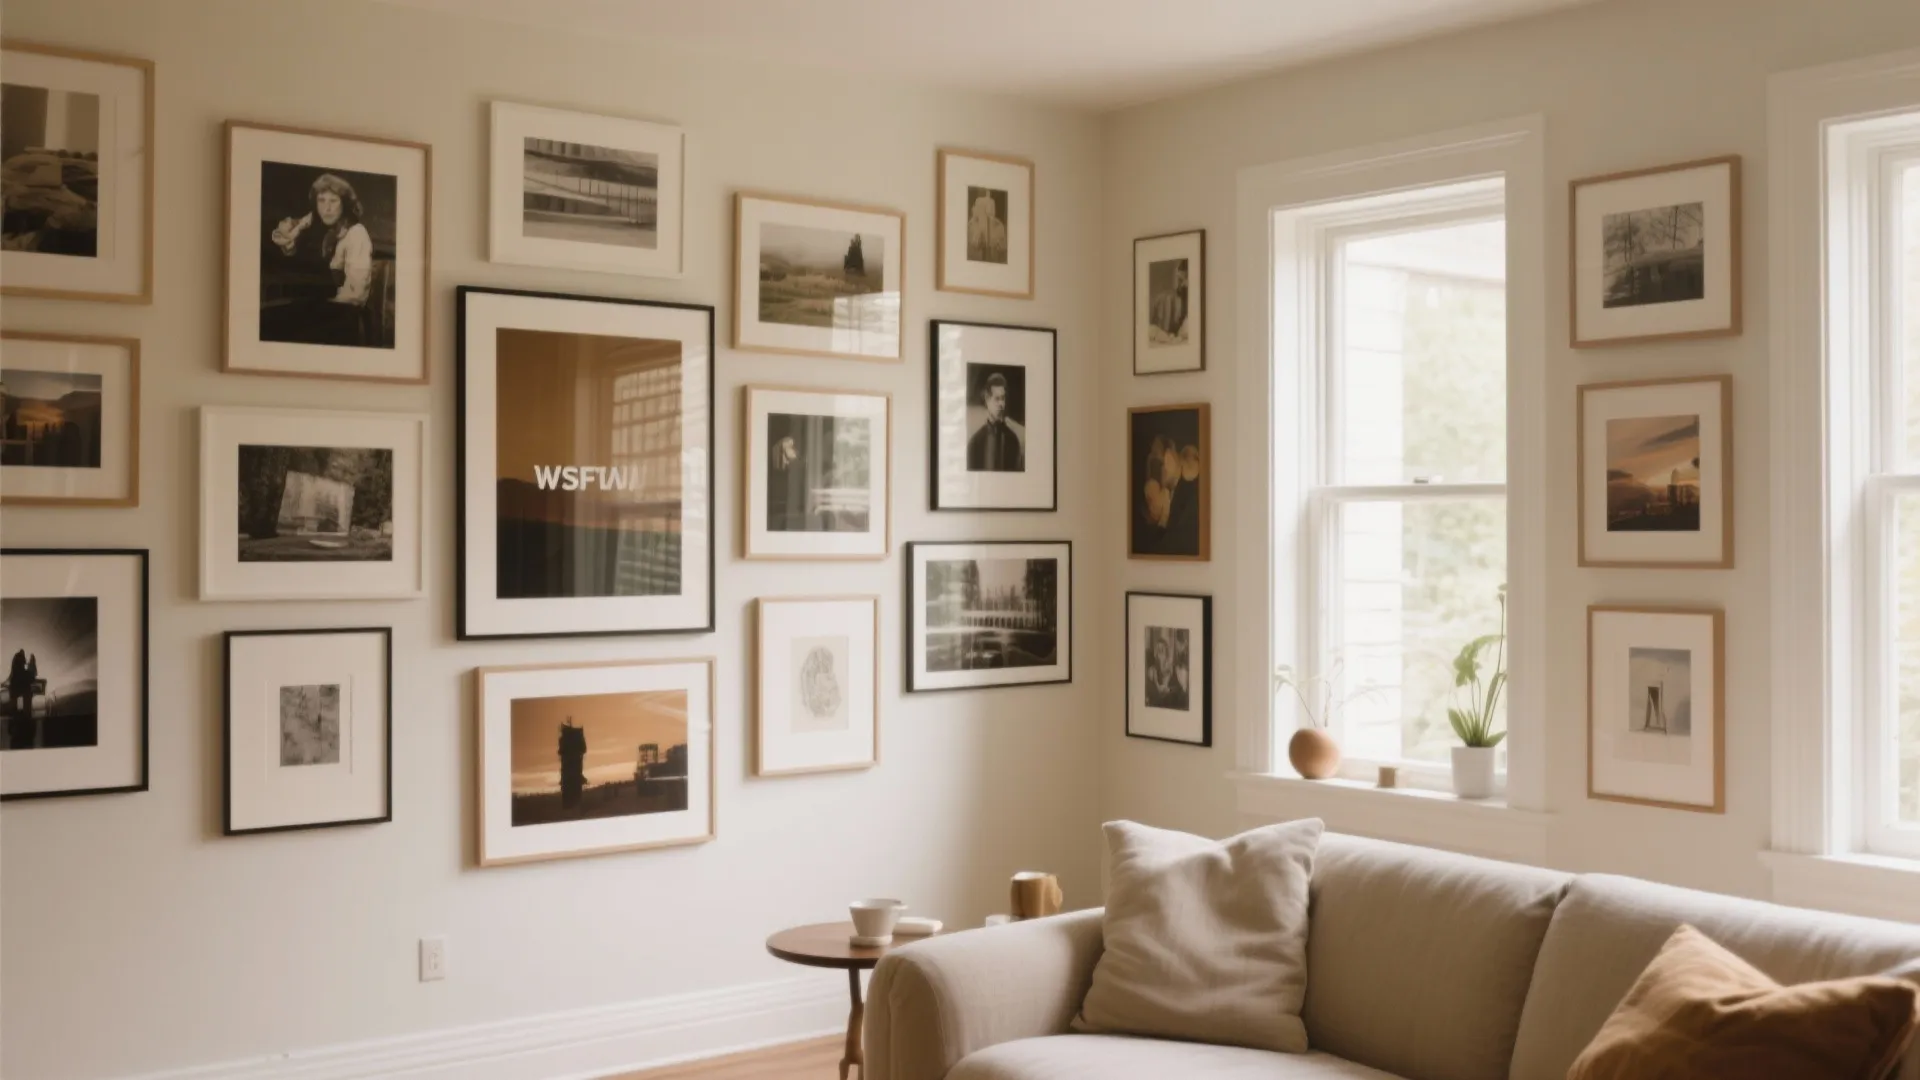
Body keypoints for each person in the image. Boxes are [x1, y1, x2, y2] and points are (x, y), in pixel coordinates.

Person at [260, 172, 376, 347]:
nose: (326, 208)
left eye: (333, 201)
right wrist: (295, 229)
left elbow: (355, 294)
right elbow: (288, 235)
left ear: (344, 204)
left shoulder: (356, 233)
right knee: (267, 318)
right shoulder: (324, 228)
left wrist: (317, 306)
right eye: (321, 201)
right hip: (323, 307)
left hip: (344, 313)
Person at [967, 372, 1024, 472]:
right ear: (987, 399)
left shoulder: (1013, 440)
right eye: (997, 399)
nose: (1001, 404)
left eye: (1003, 398)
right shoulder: (975, 443)